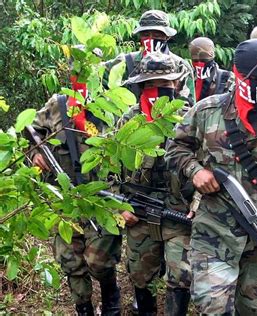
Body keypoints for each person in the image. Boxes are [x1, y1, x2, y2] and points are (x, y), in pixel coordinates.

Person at [165, 38, 257, 315]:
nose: (255, 85)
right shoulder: (207, 111)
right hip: (214, 231)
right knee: (214, 307)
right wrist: (196, 171)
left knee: (251, 309)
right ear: (234, 71)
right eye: (249, 78)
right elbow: (175, 147)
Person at [30, 49, 122, 316]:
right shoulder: (57, 104)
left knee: (100, 260)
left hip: (102, 196)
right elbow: (30, 134)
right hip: (65, 197)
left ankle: (111, 296)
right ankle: (83, 308)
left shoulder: (112, 105)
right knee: (71, 262)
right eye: (78, 70)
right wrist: (36, 155)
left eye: (89, 70)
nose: (83, 76)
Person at [117, 52, 192, 316]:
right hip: (139, 213)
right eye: (149, 86)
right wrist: (119, 207)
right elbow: (109, 169)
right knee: (139, 274)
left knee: (181, 275)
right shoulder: (129, 120)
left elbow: (210, 165)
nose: (156, 92)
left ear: (176, 86)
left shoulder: (190, 117)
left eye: (164, 86)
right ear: (139, 87)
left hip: (178, 212)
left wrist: (198, 202)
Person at [105, 10, 195, 105]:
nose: (151, 38)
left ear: (167, 36)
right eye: (146, 35)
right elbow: (98, 75)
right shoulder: (126, 62)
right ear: (140, 36)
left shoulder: (180, 65)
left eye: (157, 35)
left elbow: (188, 106)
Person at [188, 37, 234, 102]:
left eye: (204, 58)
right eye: (195, 59)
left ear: (212, 54)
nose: (199, 62)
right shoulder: (187, 76)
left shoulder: (227, 77)